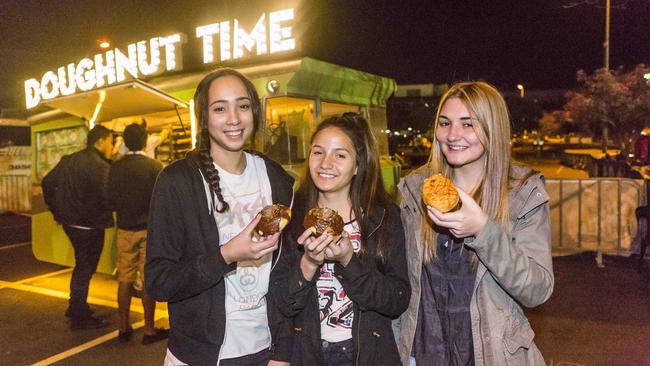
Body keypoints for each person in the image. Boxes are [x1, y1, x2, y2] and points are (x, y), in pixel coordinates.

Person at [395, 81, 554, 365]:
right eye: (445, 123)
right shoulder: (415, 189)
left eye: (468, 124)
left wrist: (484, 230)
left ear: (493, 129)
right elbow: (399, 282)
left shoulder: (521, 194)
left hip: (492, 356)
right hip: (424, 353)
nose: (453, 135)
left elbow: (537, 290)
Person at [145, 68, 294, 365]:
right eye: (220, 108)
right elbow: (159, 282)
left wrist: (284, 348)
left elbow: (287, 270)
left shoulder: (276, 177)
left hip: (267, 351)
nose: (234, 118)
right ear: (204, 117)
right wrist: (226, 255)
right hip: (199, 355)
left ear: (254, 111)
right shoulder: (177, 181)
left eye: (242, 105)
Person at [269, 113, 411, 365]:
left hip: (369, 354)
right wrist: (309, 264)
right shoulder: (292, 218)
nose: (326, 163)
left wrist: (349, 260)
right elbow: (282, 303)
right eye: (318, 152)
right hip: (310, 354)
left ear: (358, 165)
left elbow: (397, 300)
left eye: (340, 155)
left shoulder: (383, 218)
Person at [108, 123, 167, 344]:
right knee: (148, 279)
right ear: (144, 141)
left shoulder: (115, 167)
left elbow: (110, 198)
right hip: (148, 230)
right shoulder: (154, 166)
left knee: (125, 279)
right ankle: (149, 330)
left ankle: (123, 328)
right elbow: (162, 200)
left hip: (124, 228)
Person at [57, 125, 114, 329]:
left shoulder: (70, 159)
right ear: (100, 142)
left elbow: (48, 182)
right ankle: (78, 313)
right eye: (110, 141)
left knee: (82, 265)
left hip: (70, 223)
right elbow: (107, 196)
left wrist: (57, 211)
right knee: (85, 267)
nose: (112, 146)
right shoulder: (99, 165)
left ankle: (77, 306)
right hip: (89, 225)